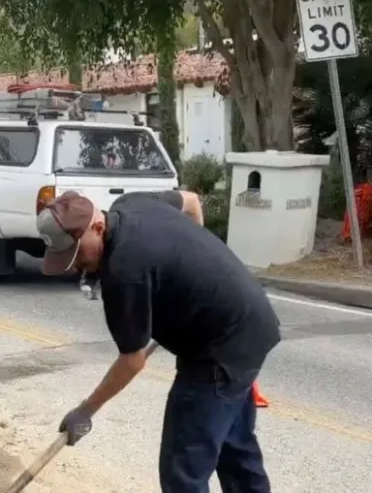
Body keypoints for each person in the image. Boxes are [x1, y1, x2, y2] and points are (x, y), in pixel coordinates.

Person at [36, 190, 280, 493]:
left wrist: (86, 410)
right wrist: (196, 265)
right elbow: (191, 200)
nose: (75, 266)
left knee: (183, 471)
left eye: (77, 254)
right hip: (251, 323)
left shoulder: (124, 272)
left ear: (98, 227)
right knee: (234, 447)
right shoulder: (132, 204)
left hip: (218, 351)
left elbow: (132, 360)